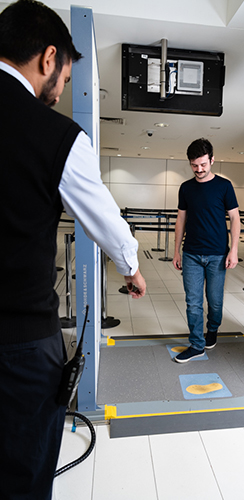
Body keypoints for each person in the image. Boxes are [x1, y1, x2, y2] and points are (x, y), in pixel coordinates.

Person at [0, 1, 146, 499]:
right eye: (63, 75)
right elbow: (103, 214)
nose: (61, 89)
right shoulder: (56, 135)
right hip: (19, 341)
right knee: (23, 472)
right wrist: (131, 265)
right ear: (48, 59)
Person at [173, 138, 240, 363]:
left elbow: (235, 217)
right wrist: (176, 251)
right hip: (191, 253)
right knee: (193, 302)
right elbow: (181, 219)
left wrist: (234, 251)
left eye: (203, 164)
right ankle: (197, 344)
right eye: (194, 165)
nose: (199, 170)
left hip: (218, 255)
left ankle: (212, 329)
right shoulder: (186, 188)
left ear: (212, 160)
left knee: (215, 301)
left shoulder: (224, 186)